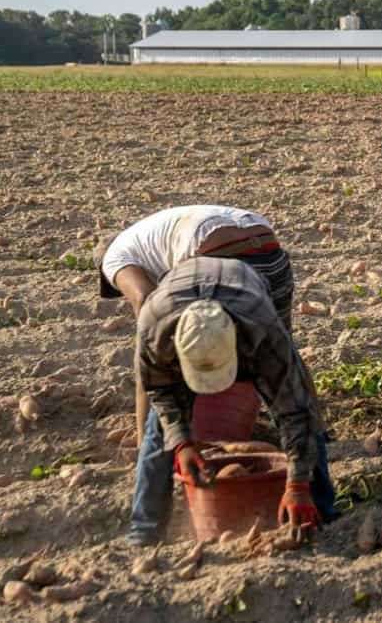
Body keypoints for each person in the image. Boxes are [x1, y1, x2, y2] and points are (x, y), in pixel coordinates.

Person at [129, 256, 337, 545]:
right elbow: (159, 392)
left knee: (303, 406)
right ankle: (144, 530)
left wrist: (298, 484)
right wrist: (182, 443)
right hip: (179, 294)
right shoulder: (154, 330)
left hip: (243, 288)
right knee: (159, 427)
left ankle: (322, 510)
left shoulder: (263, 332)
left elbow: (294, 411)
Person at [95, 205, 295, 447]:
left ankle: (153, 439)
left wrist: (151, 342)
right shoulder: (150, 232)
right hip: (267, 245)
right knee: (279, 348)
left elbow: (144, 297)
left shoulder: (114, 256)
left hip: (214, 251)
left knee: (181, 344)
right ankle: (307, 432)